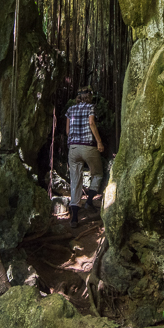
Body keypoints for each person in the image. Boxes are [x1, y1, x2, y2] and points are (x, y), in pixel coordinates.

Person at [65, 86, 105, 228]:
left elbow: (68, 131)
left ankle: (74, 219)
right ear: (89, 97)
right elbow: (91, 123)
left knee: (75, 180)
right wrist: (99, 141)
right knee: (98, 173)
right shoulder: (90, 107)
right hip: (88, 147)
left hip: (73, 148)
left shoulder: (70, 110)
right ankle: (89, 201)